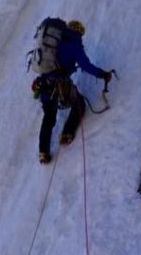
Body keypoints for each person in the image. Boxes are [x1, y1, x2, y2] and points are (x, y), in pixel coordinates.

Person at [32, 19, 113, 164]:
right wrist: (102, 74)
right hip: (60, 84)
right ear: (79, 33)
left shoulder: (54, 43)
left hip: (43, 83)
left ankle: (43, 152)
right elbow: (86, 66)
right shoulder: (74, 44)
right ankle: (67, 133)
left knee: (48, 117)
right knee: (79, 103)